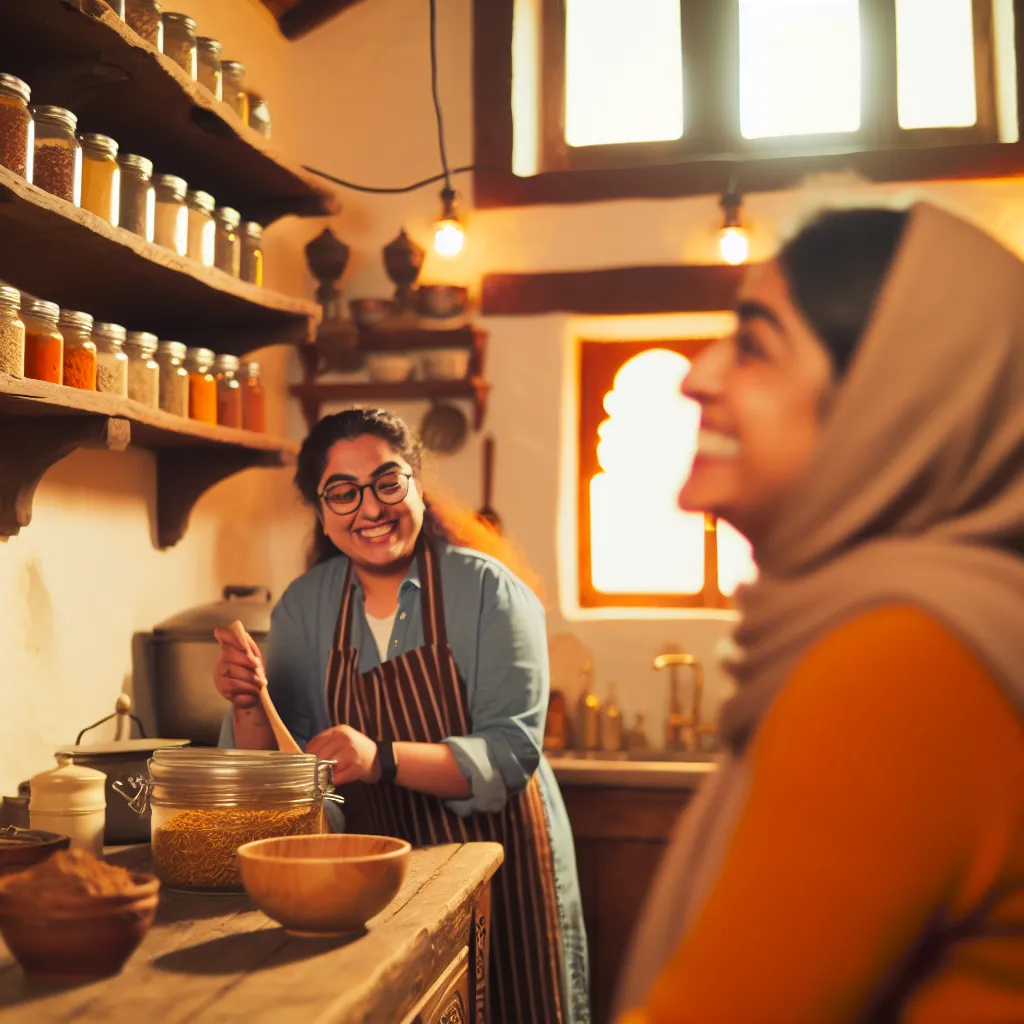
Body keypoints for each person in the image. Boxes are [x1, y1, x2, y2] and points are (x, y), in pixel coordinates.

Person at [614, 203, 1024, 1022]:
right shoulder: (935, 623)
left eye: (757, 346)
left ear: (895, 406)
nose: (696, 375)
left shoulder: (901, 666)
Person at [213, 407, 589, 1024]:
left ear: (415, 482)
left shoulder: (490, 592)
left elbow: (508, 755)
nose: (371, 508)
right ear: (321, 511)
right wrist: (250, 703)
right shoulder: (305, 608)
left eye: (389, 482)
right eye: (344, 492)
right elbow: (290, 776)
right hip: (379, 884)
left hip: (504, 866)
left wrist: (377, 758)